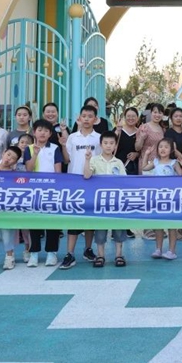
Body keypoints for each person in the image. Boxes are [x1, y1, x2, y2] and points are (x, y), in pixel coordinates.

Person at [61, 105, 101, 268]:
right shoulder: (72, 137)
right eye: (84, 116)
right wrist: (63, 145)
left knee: (90, 217)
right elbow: (66, 159)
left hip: (92, 181)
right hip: (74, 182)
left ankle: (88, 249)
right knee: (74, 218)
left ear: (95, 119)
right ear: (79, 118)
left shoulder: (98, 138)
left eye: (90, 116)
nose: (86, 119)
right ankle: (70, 253)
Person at [82, 132, 128, 268]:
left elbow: (125, 181)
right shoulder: (94, 160)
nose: (108, 146)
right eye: (105, 143)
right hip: (100, 202)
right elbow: (86, 176)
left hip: (116, 201)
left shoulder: (118, 162)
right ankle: (100, 255)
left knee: (118, 229)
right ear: (101, 145)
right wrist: (87, 160)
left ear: (115, 145)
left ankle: (119, 255)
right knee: (100, 229)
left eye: (111, 143)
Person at [23, 119, 63, 267]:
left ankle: (51, 252)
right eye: (39, 130)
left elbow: (58, 170)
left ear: (50, 134)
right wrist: (35, 154)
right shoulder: (29, 149)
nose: (42, 133)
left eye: (46, 131)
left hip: (51, 191)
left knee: (52, 222)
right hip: (34, 191)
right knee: (34, 222)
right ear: (34, 132)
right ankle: (34, 253)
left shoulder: (55, 148)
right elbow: (28, 169)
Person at [145, 137, 182, 259]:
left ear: (171, 150)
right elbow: (144, 168)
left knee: (171, 225)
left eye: (166, 147)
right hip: (158, 198)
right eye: (161, 147)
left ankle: (171, 251)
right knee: (159, 225)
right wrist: (146, 154)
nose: (163, 149)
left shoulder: (174, 163)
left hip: (171, 197)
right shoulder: (156, 162)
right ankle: (158, 249)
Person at [136, 103, 165, 176]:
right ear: (151, 113)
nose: (157, 115)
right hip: (146, 162)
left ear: (163, 115)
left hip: (158, 163)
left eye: (160, 113)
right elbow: (137, 148)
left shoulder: (163, 129)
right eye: (155, 112)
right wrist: (142, 137)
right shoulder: (144, 127)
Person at [115, 107, 141, 177]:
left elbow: (143, 149)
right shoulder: (118, 130)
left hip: (132, 168)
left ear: (137, 118)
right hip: (116, 166)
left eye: (133, 116)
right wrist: (117, 131)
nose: (131, 118)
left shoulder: (140, 132)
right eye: (128, 116)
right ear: (125, 117)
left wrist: (137, 154)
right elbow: (111, 144)